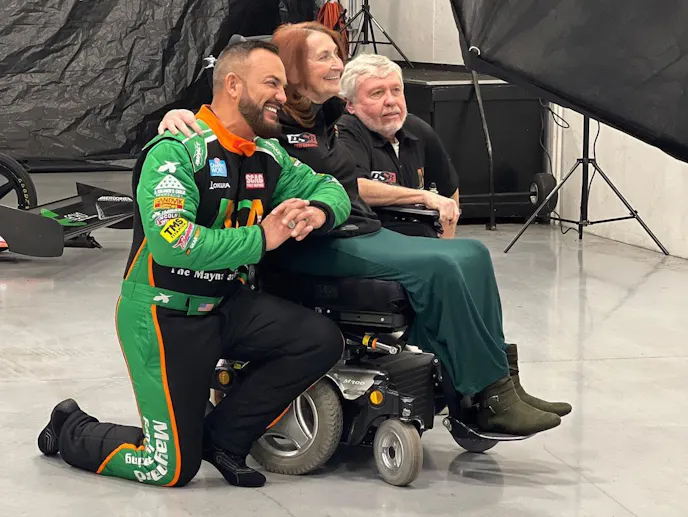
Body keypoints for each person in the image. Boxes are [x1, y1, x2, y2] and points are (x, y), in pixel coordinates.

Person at [158, 22, 571, 437]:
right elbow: (226, 113)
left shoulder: (326, 117)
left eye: (337, 54)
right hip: (313, 243)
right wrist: (178, 115)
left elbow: (339, 186)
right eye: (323, 56)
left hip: (355, 226)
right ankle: (487, 396)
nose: (337, 63)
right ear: (293, 67)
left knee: (474, 253)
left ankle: (501, 385)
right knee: (441, 267)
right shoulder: (272, 118)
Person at [36, 40, 351, 488]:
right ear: (233, 85)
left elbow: (331, 187)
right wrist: (262, 238)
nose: (283, 96)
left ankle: (224, 439)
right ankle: (69, 426)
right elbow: (173, 243)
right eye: (272, 84)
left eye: (283, 85)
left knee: (319, 340)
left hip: (226, 303)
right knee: (168, 468)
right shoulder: (176, 150)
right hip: (164, 316)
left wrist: (318, 211)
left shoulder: (268, 153)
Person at [336, 53, 460, 238]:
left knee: (472, 250)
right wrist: (423, 196)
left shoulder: (418, 129)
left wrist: (446, 244)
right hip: (369, 236)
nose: (391, 101)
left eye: (396, 90)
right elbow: (354, 187)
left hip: (419, 235)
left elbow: (449, 190)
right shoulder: (344, 130)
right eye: (377, 93)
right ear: (350, 105)